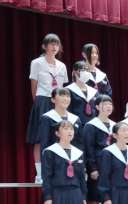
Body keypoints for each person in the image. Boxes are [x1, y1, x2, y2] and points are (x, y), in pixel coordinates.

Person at [26, 33, 68, 184]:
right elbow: (34, 86)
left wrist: (62, 105)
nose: (55, 47)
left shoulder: (62, 66)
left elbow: (63, 88)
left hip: (58, 103)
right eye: (51, 44)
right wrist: (38, 104)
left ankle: (57, 172)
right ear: (44, 46)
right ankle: (39, 174)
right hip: (42, 100)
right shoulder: (37, 63)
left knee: (59, 137)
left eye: (57, 44)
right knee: (39, 138)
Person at [83, 94, 115, 204]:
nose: (108, 106)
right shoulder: (91, 125)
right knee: (95, 197)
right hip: (97, 164)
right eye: (104, 104)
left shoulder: (115, 126)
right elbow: (88, 148)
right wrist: (92, 168)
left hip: (112, 166)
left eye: (110, 104)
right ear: (96, 107)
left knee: (110, 195)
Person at [40, 88, 83, 154]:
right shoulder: (47, 118)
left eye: (68, 96)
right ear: (53, 99)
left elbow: (80, 144)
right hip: (54, 157)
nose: (65, 99)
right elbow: (44, 144)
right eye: (62, 96)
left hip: (73, 157)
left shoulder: (76, 119)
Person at [67, 61, 98, 127]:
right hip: (76, 125)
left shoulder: (93, 91)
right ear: (74, 72)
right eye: (83, 70)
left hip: (92, 125)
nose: (86, 72)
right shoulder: (68, 90)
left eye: (87, 70)